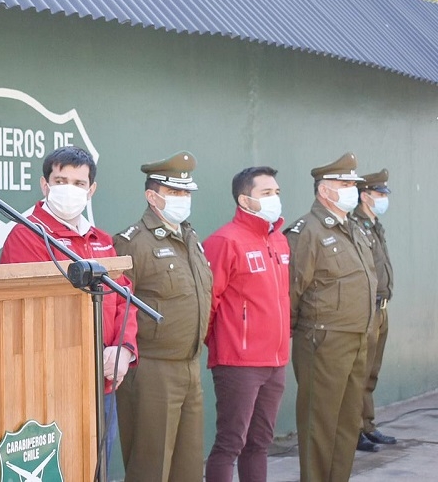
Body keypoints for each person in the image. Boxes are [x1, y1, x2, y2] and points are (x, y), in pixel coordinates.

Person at [0, 145, 138, 465]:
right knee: (63, 467)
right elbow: (25, 314)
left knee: (98, 465)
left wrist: (123, 350)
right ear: (45, 185)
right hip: (53, 385)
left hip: (102, 382)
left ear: (91, 190)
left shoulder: (102, 239)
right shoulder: (27, 236)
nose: (69, 190)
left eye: (78, 183)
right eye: (61, 181)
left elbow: (123, 297)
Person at [113, 151, 213, 482]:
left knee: (188, 468)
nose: (183, 199)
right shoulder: (133, 243)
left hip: (189, 368)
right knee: (150, 467)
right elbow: (118, 306)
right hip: (152, 371)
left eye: (186, 193)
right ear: (152, 196)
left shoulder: (191, 239)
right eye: (174, 192)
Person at [284, 152, 377, 482]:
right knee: (319, 424)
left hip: (357, 337)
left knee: (348, 423)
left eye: (353, 183)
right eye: (345, 184)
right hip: (323, 340)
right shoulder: (305, 231)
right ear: (325, 191)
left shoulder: (353, 228)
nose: (352, 189)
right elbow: (291, 292)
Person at [203, 167, 290, 481]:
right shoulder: (224, 241)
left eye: (277, 193)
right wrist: (226, 343)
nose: (275, 198)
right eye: (266, 193)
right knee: (230, 444)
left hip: (276, 361)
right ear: (245, 200)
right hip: (238, 363)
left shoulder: (279, 240)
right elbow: (208, 303)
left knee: (260, 444)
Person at [354, 168, 397, 452]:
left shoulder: (375, 224)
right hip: (366, 310)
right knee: (358, 372)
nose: (383, 198)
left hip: (381, 309)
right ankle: (352, 430)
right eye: (378, 194)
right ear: (364, 195)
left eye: (384, 194)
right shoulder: (356, 224)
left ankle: (367, 424)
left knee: (372, 372)